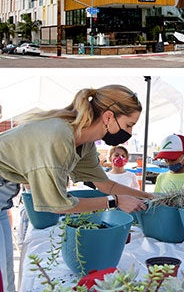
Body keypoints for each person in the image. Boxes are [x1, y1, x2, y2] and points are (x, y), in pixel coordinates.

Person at [0, 85, 151, 291]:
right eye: (129, 124)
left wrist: (149, 196)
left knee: (6, 273)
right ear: (108, 117)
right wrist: (114, 202)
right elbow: (57, 205)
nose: (130, 133)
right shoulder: (59, 136)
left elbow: (105, 184)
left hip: (3, 199)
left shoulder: (83, 141)